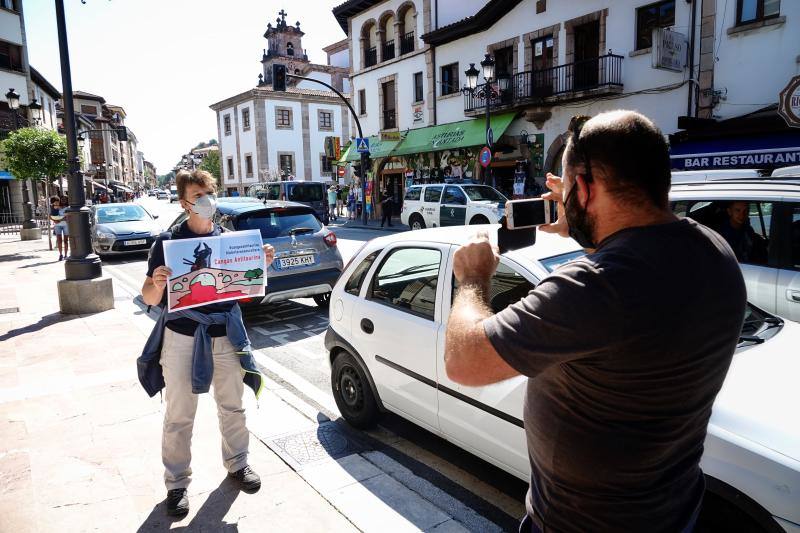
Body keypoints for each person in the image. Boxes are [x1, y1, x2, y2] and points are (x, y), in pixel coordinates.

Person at [444, 111, 746, 533]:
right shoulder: (713, 250)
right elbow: (635, 288)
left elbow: (464, 360)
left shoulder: (596, 288)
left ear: (584, 188)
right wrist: (588, 229)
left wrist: (473, 278)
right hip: (673, 512)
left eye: (568, 188)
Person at [138, 169, 276, 517]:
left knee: (233, 406)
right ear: (184, 202)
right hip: (182, 338)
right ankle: (177, 484)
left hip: (225, 336)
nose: (205, 201)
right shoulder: (167, 244)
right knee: (179, 415)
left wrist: (261, 268)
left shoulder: (230, 240)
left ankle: (238, 464)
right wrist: (156, 282)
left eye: (209, 193)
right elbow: (149, 298)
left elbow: (245, 294)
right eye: (198, 195)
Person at [50, 196, 69, 260]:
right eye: (62, 199)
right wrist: (54, 220)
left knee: (66, 241)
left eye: (65, 199)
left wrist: (60, 220)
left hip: (66, 225)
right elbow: (50, 215)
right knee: (59, 241)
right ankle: (60, 255)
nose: (63, 201)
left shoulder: (68, 208)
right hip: (57, 225)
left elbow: (68, 217)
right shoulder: (56, 207)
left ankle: (66, 255)